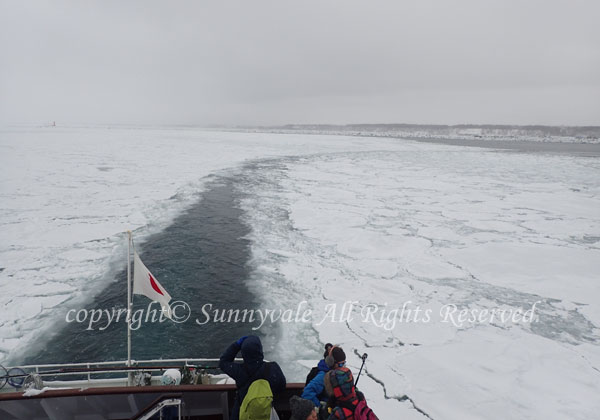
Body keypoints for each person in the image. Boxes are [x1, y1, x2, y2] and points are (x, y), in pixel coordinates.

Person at [219, 335, 287, 420]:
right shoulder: (273, 368)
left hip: (242, 414)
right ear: (260, 350)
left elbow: (223, 362)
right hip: (267, 414)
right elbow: (282, 386)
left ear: (243, 352)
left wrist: (236, 345)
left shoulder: (238, 371)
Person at [323, 347, 359, 419]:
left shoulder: (338, 414)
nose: (342, 367)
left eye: (343, 364)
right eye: (340, 365)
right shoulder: (360, 399)